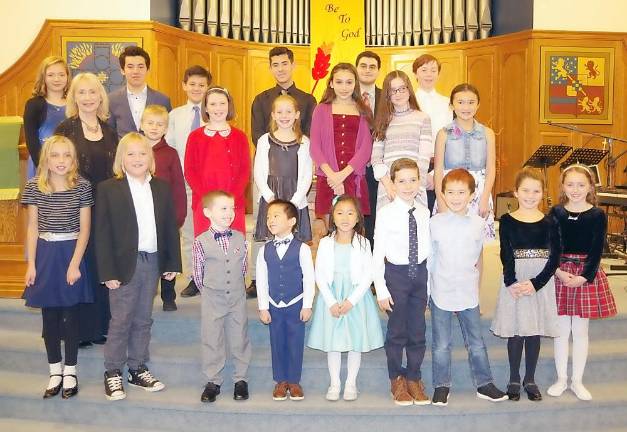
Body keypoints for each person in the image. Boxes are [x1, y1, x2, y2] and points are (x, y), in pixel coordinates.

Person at [96, 132, 181, 401]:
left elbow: (169, 228)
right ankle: (113, 371)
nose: (137, 158)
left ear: (151, 158)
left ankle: (136, 367)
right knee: (122, 319)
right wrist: (107, 272)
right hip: (123, 264)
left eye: (142, 153)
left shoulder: (161, 188)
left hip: (152, 260)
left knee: (144, 318)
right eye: (130, 154)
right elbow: (102, 233)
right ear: (121, 159)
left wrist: (172, 262)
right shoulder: (109, 188)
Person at [22, 135, 93, 399]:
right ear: (46, 160)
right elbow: (33, 227)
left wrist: (75, 264)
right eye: (55, 155)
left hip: (70, 254)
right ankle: (54, 371)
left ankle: (71, 371)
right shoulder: (34, 186)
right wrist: (31, 263)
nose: (61, 161)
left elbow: (85, 230)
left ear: (73, 160)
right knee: (49, 317)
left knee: (70, 317)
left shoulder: (82, 187)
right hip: (45, 255)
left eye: (66, 155)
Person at [429, 169, 507, 406]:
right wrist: (427, 294)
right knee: (441, 344)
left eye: (461, 192)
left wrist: (478, 292)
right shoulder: (435, 223)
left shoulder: (478, 223)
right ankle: (442, 385)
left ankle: (484, 383)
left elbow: (479, 259)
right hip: (440, 290)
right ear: (442, 193)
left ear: (472, 195)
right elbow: (430, 259)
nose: (455, 197)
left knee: (476, 342)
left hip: (468, 292)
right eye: (450, 192)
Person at [56, 72, 118, 347]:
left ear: (101, 97)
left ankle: (99, 326)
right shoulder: (65, 130)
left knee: (99, 264)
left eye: (93, 92)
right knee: (78, 264)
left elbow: (117, 173)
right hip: (74, 207)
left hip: (104, 209)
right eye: (82, 92)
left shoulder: (109, 131)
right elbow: (56, 170)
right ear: (74, 97)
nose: (88, 98)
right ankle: (78, 330)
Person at [249, 46, 317, 298]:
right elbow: (258, 138)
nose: (280, 68)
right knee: (267, 236)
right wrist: (269, 195)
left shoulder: (308, 100)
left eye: (284, 63)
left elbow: (309, 139)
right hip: (271, 182)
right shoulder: (261, 99)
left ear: (292, 64)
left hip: (296, 183)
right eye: (275, 64)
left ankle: (294, 281)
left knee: (295, 239)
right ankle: (260, 281)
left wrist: (298, 197)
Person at [547, 164, 617, 401]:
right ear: (563, 187)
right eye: (570, 185)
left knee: (580, 330)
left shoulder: (597, 215)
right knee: (560, 330)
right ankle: (561, 379)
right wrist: (557, 271)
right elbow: (550, 246)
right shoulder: (556, 212)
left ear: (590, 187)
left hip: (585, 275)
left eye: (581, 185)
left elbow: (597, 250)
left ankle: (577, 380)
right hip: (560, 273)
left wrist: (584, 277)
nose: (575, 190)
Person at [490, 168, 560, 402]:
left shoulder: (551, 221)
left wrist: (536, 284)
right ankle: (513, 378)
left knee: (533, 330)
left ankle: (529, 378)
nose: (531, 195)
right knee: (517, 330)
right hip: (516, 280)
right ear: (516, 193)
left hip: (540, 280)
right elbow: (506, 252)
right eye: (525, 190)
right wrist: (512, 281)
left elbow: (555, 257)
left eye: (536, 191)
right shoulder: (508, 221)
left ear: (543, 193)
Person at [307, 195, 384, 401]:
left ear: (358, 218)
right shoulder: (325, 243)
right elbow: (320, 274)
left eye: (350, 213)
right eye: (340, 213)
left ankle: (351, 383)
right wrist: (331, 301)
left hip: (355, 298)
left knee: (354, 341)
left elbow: (369, 274)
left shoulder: (363, 243)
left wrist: (351, 300)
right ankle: (335, 383)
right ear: (333, 217)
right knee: (333, 341)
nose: (345, 218)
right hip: (331, 297)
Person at [372, 158, 431, 406]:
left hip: (420, 274)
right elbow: (377, 254)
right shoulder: (385, 213)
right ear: (393, 184)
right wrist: (381, 290)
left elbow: (429, 249)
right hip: (396, 275)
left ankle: (414, 377)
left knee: (418, 330)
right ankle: (396, 377)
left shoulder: (425, 212)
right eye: (402, 181)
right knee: (397, 331)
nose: (408, 186)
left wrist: (428, 288)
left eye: (413, 180)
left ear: (420, 182)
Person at [193, 190, 251, 403]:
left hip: (236, 296)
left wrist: (238, 288)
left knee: (239, 335)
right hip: (212, 298)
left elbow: (244, 267)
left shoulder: (241, 239)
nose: (229, 213)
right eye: (223, 208)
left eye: (232, 208)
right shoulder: (201, 242)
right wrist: (210, 291)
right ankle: (213, 381)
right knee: (212, 337)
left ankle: (241, 379)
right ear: (208, 212)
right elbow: (198, 273)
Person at [256, 199, 315, 401]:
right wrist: (263, 307)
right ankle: (280, 380)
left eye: (276, 216)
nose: (270, 220)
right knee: (277, 341)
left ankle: (294, 380)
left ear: (291, 221)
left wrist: (307, 304)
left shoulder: (303, 248)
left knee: (295, 341)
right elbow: (261, 280)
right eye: (268, 216)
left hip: (295, 303)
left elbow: (309, 278)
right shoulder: (264, 250)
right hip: (274, 305)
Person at [165, 65, 212, 298]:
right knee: (189, 232)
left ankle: (211, 275)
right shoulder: (175, 115)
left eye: (201, 85)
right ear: (184, 85)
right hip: (184, 183)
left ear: (208, 88)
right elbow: (170, 149)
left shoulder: (213, 112)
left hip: (210, 184)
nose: (196, 89)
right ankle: (194, 277)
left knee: (212, 229)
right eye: (192, 84)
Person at [310, 63, 373, 223]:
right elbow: (315, 147)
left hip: (353, 177)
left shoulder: (363, 110)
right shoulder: (321, 109)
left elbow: (366, 148)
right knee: (327, 230)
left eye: (349, 82)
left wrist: (342, 176)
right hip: (327, 178)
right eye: (339, 82)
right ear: (331, 83)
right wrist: (333, 176)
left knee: (353, 229)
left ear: (355, 84)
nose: (344, 87)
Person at [184, 86, 250, 238]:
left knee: (234, 251)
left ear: (229, 105)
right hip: (205, 204)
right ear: (205, 107)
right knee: (206, 251)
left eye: (222, 103)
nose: (218, 108)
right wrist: (209, 200)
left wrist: (229, 200)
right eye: (213, 104)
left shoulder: (240, 137)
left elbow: (245, 171)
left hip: (233, 203)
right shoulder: (195, 137)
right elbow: (190, 170)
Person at [433, 83, 495, 240]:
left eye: (471, 102)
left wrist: (485, 198)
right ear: (452, 105)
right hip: (450, 193)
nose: (466, 107)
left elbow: (490, 169)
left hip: (479, 193)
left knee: (478, 243)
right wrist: (441, 201)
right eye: (460, 102)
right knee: (449, 241)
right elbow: (438, 170)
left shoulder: (488, 133)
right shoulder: (443, 133)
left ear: (478, 104)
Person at [140, 105, 187, 311]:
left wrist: (178, 215)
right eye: (150, 123)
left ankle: (169, 296)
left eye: (159, 124)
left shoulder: (170, 154)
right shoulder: (135, 150)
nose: (154, 128)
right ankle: (143, 293)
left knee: (167, 254)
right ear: (141, 125)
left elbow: (178, 185)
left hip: (165, 215)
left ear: (166, 129)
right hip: (141, 215)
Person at [253, 94, 312, 243]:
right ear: (273, 115)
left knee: (294, 244)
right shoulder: (264, 140)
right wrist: (269, 197)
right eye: (279, 112)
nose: (284, 116)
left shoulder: (304, 142)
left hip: (295, 197)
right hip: (272, 196)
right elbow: (258, 172)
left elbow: (306, 176)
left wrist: (295, 202)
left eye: (289, 112)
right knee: (270, 244)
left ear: (297, 115)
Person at [371, 70, 432, 209]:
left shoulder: (423, 118)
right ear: (387, 95)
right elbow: (376, 159)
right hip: (388, 189)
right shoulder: (383, 121)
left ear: (409, 90)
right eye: (393, 90)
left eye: (402, 88)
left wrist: (413, 186)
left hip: (414, 188)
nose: (398, 94)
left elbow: (424, 159)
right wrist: (389, 185)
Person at [413, 54, 453, 213]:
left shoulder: (448, 103)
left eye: (433, 70)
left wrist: (436, 172)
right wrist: (423, 172)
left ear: (438, 73)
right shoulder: (410, 101)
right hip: (416, 164)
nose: (429, 74)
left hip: (442, 164)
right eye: (424, 70)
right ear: (415, 73)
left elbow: (450, 138)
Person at [108, 46, 172, 139]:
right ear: (122, 70)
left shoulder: (162, 100)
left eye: (140, 67)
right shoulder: (111, 100)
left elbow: (168, 134)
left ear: (148, 69)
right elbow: (109, 134)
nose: (136, 71)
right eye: (130, 67)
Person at [23, 56, 69, 179]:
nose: (56, 79)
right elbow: (31, 141)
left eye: (61, 74)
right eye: (51, 75)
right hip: (42, 166)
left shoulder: (75, 103)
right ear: (43, 77)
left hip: (70, 166)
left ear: (67, 77)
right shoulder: (34, 105)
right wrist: (45, 168)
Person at [355, 51, 382, 245]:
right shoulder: (347, 96)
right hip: (353, 167)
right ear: (356, 69)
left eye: (372, 66)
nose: (367, 70)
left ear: (379, 71)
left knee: (374, 220)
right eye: (363, 65)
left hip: (378, 168)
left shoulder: (387, 97)